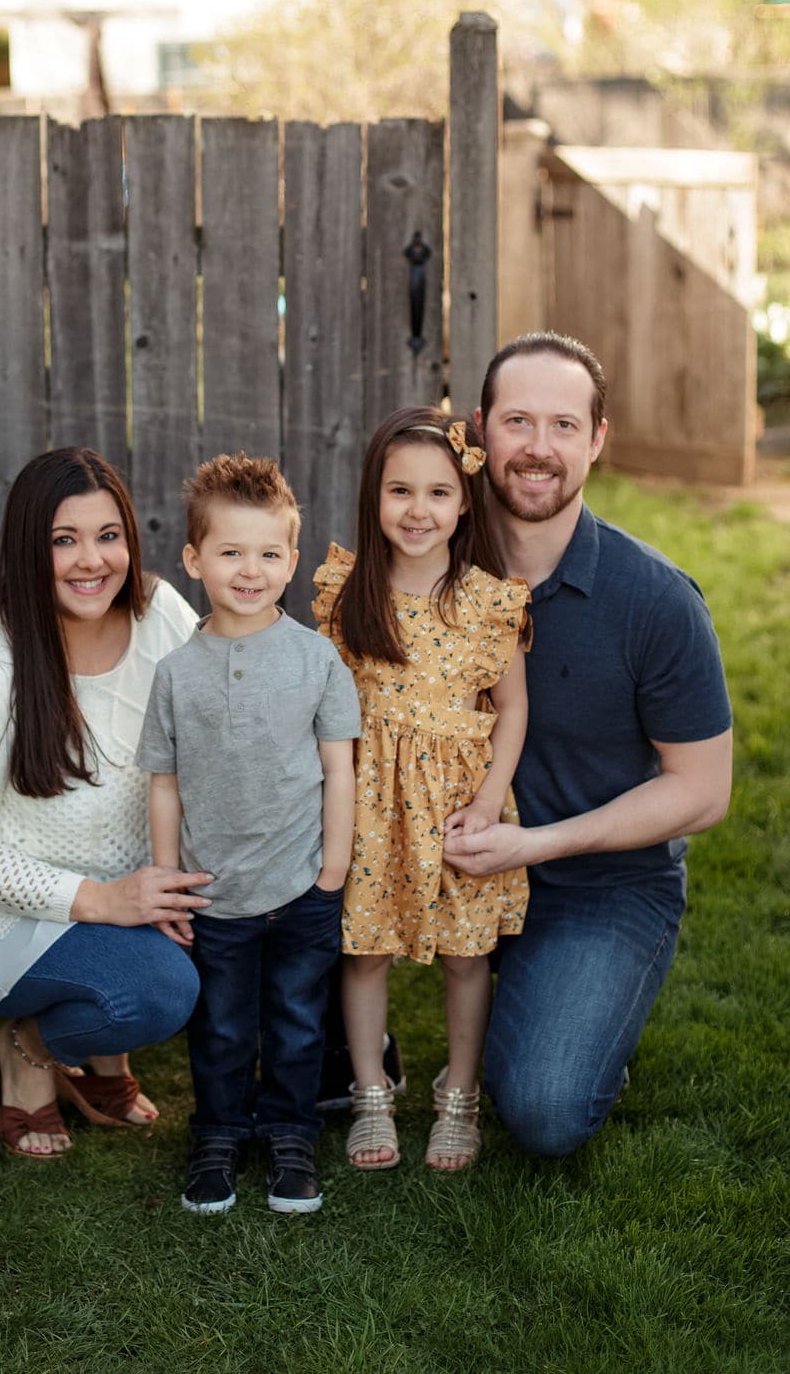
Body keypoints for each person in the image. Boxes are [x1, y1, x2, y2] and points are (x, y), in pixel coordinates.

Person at [443, 332, 733, 1157]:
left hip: (599, 882)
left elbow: (703, 790)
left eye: (564, 426)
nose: (539, 449)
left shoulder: (657, 600)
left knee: (543, 1111)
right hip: (446, 861)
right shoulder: (427, 574)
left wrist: (534, 844)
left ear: (598, 439)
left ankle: (571, 1008)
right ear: (479, 430)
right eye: (518, 421)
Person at [0, 447, 212, 1160]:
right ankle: (26, 1048)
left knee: (244, 936)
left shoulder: (162, 614)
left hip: (130, 889)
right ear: (27, 548)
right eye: (63, 540)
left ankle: (105, 1057)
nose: (90, 560)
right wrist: (101, 899)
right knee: (156, 992)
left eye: (108, 535)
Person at [136, 454, 360, 1214]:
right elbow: (163, 783)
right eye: (231, 552)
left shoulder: (316, 658)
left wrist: (332, 871)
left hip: (301, 886)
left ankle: (291, 1134)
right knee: (224, 1027)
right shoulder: (176, 673)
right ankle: (219, 1133)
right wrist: (168, 879)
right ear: (195, 559)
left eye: (269, 553)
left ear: (292, 561)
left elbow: (339, 770)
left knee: (298, 1023)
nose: (250, 569)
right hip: (213, 893)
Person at [314, 410, 530, 1173]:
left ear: (466, 502)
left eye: (438, 492)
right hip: (370, 802)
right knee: (366, 947)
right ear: (375, 495)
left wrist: (490, 793)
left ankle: (459, 1095)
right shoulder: (348, 594)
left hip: (459, 801)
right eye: (400, 489)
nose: (418, 509)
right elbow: (329, 707)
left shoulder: (486, 600)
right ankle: (371, 1089)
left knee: (466, 954)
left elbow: (512, 707)